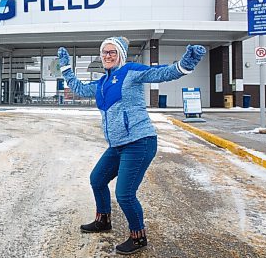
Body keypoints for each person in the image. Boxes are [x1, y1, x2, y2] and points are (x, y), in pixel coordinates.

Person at [57, 37, 206, 255]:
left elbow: (162, 73)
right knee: (97, 180)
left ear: (120, 55)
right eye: (105, 52)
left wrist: (185, 64)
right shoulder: (101, 83)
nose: (107, 56)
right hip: (117, 145)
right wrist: (66, 67)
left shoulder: (131, 72)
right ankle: (103, 220)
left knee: (125, 194)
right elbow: (78, 88)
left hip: (139, 142)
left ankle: (138, 237)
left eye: (112, 52)